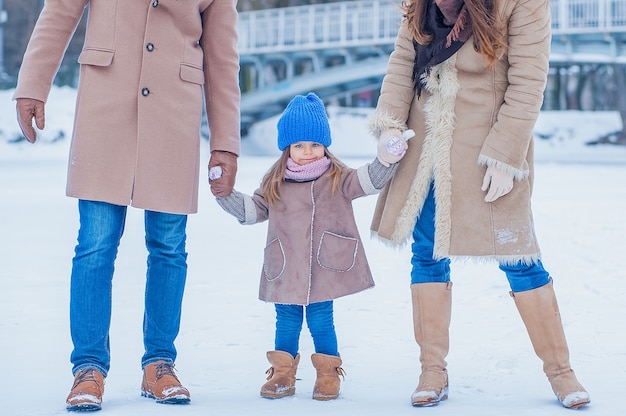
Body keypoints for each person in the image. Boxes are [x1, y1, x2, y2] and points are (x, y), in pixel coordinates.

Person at [13, 0, 240, 411]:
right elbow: (60, 10)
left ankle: (159, 365)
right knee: (95, 243)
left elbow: (223, 55)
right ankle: (88, 369)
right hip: (106, 102)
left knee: (169, 245)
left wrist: (225, 142)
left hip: (176, 107)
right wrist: (33, 84)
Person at [367, 0, 590, 410]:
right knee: (427, 254)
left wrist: (506, 156)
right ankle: (432, 370)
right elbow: (402, 61)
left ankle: (561, 371)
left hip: (487, 149)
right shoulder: (418, 4)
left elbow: (528, 83)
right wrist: (389, 125)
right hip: (428, 147)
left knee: (520, 257)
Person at [215, 92, 407, 401]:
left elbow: (370, 180)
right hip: (287, 266)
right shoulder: (274, 183)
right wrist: (226, 195)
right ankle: (282, 374)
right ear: (287, 148)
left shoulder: (338, 178)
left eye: (315, 145)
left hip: (325, 266)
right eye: (300, 146)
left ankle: (328, 374)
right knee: (287, 320)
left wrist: (386, 158)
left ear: (325, 146)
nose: (308, 152)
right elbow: (253, 211)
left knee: (321, 320)